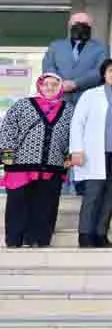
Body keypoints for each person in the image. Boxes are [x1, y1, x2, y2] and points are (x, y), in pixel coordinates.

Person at [0, 73, 75, 248]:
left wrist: (68, 159)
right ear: (39, 86)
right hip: (20, 166)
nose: (50, 87)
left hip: (52, 166)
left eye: (54, 84)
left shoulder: (69, 109)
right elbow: (8, 129)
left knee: (45, 205)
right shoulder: (23, 105)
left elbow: (73, 137)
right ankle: (14, 241)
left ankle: (38, 240)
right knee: (18, 204)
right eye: (46, 84)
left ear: (60, 88)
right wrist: (7, 158)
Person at [69, 58, 112, 248]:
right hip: (94, 153)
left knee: (111, 194)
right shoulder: (90, 95)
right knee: (93, 194)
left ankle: (101, 234)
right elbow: (77, 123)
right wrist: (76, 150)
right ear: (104, 74)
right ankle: (85, 234)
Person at [42, 12, 109, 104]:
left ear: (91, 26)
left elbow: (100, 70)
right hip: (59, 97)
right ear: (69, 25)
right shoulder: (56, 46)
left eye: (84, 24)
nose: (80, 26)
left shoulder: (101, 48)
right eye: (77, 23)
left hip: (88, 98)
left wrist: (75, 84)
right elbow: (48, 66)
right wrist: (60, 83)